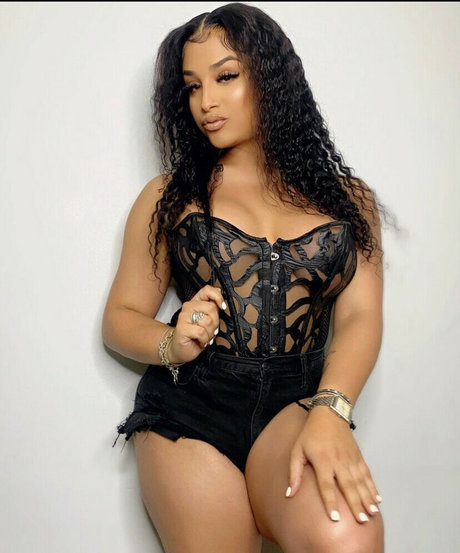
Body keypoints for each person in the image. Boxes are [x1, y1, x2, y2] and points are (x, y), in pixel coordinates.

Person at [103, 3, 389, 552]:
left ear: (271, 77)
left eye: (226, 76)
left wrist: (331, 410)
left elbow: (360, 317)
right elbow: (119, 318)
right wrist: (171, 342)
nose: (205, 101)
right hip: (191, 408)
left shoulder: (349, 202)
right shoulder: (169, 197)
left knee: (349, 538)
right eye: (192, 86)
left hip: (296, 403)